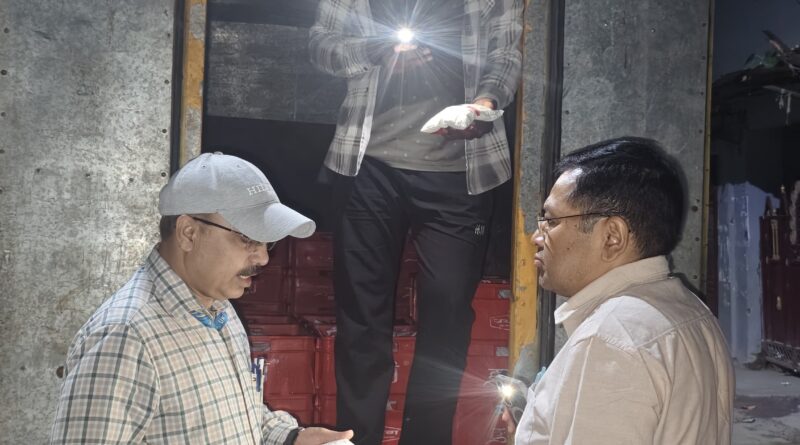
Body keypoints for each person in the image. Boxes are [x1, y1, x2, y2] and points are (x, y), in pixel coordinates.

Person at [308, 0, 523, 443]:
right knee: (361, 315)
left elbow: (506, 54)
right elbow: (321, 46)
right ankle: (356, 440)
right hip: (367, 164)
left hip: (460, 171)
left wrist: (485, 105)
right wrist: (376, 49)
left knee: (448, 314)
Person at [50, 152, 354, 445]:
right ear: (188, 233)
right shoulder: (126, 337)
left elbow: (235, 414)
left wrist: (291, 438)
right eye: (247, 238)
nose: (262, 257)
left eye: (267, 242)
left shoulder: (219, 309)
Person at [511, 137, 734, 444]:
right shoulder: (692, 310)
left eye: (551, 220)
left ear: (612, 236)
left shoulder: (611, 339)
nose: (537, 237)